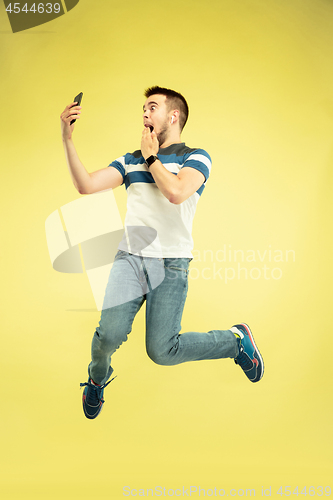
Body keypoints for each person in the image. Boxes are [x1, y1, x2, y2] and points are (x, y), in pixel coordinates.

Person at [60, 86, 264, 420]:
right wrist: (67, 139)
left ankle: (235, 341)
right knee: (108, 334)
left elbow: (177, 192)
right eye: (142, 108)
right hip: (131, 260)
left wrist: (152, 158)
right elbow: (85, 184)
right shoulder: (129, 160)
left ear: (173, 116)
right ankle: (96, 380)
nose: (144, 113)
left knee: (162, 351)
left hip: (171, 265)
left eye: (151, 107)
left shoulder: (196, 157)